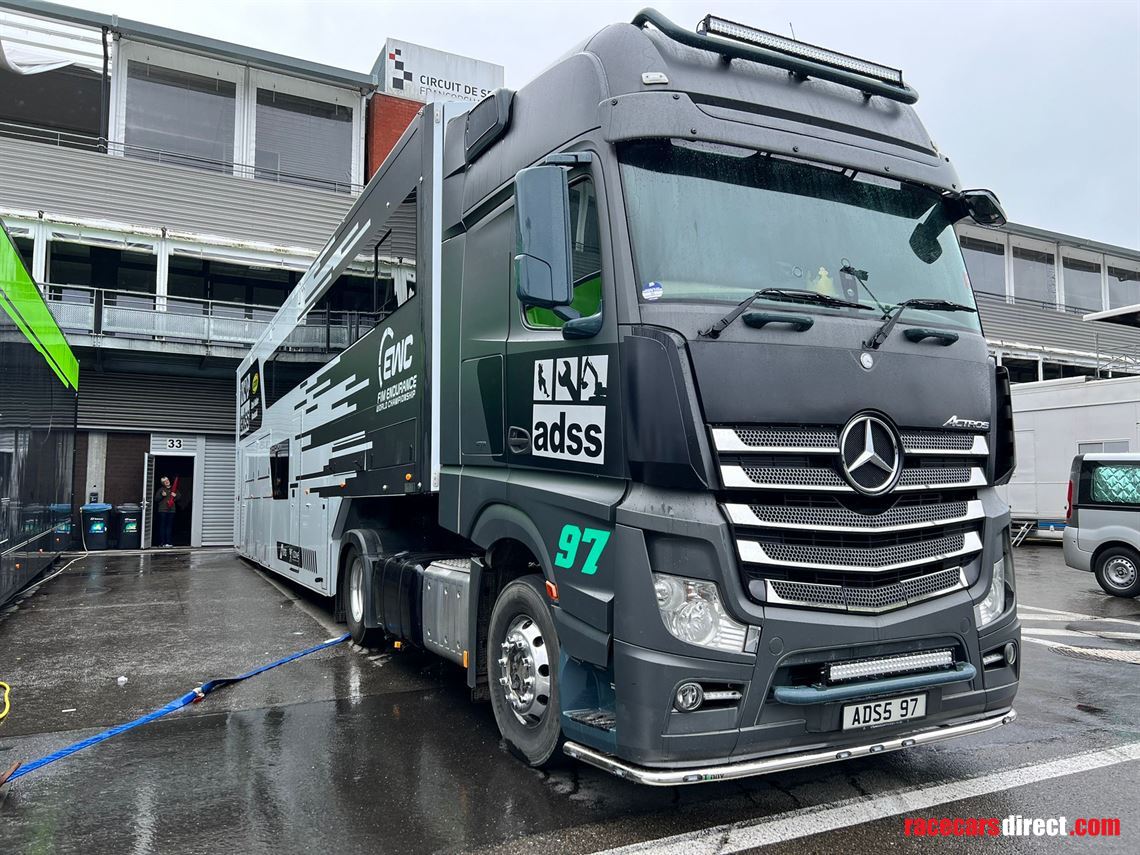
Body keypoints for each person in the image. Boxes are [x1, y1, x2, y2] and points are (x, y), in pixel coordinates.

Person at [153, 475, 179, 548]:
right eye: (164, 481)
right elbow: (156, 499)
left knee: (169, 527)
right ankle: (162, 542)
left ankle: (168, 542)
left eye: (167, 480)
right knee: (162, 526)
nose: (166, 482)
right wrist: (162, 495)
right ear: (163, 483)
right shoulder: (161, 490)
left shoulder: (174, 489)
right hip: (162, 510)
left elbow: (179, 498)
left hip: (171, 510)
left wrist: (175, 496)